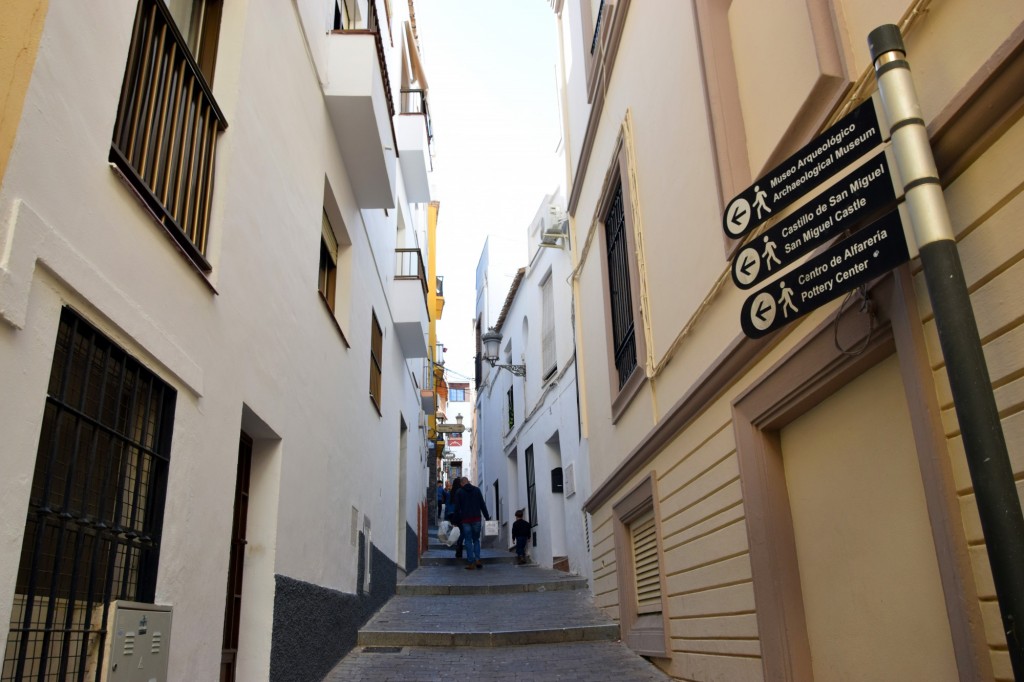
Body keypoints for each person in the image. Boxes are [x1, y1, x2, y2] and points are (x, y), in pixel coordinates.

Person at [454, 476, 490, 570]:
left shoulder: (459, 492)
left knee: (468, 540)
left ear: (462, 483)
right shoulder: (477, 490)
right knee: (476, 540)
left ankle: (471, 562)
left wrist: (455, 521)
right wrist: (487, 516)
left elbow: (457, 508)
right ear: (468, 482)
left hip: (465, 520)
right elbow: (482, 504)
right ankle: (477, 559)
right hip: (477, 519)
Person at [446, 477, 464, 560]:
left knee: (455, 531)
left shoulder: (450, 493)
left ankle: (458, 544)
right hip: (460, 514)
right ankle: (459, 544)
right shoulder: (461, 492)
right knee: (462, 531)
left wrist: (447, 516)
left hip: (451, 514)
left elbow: (447, 505)